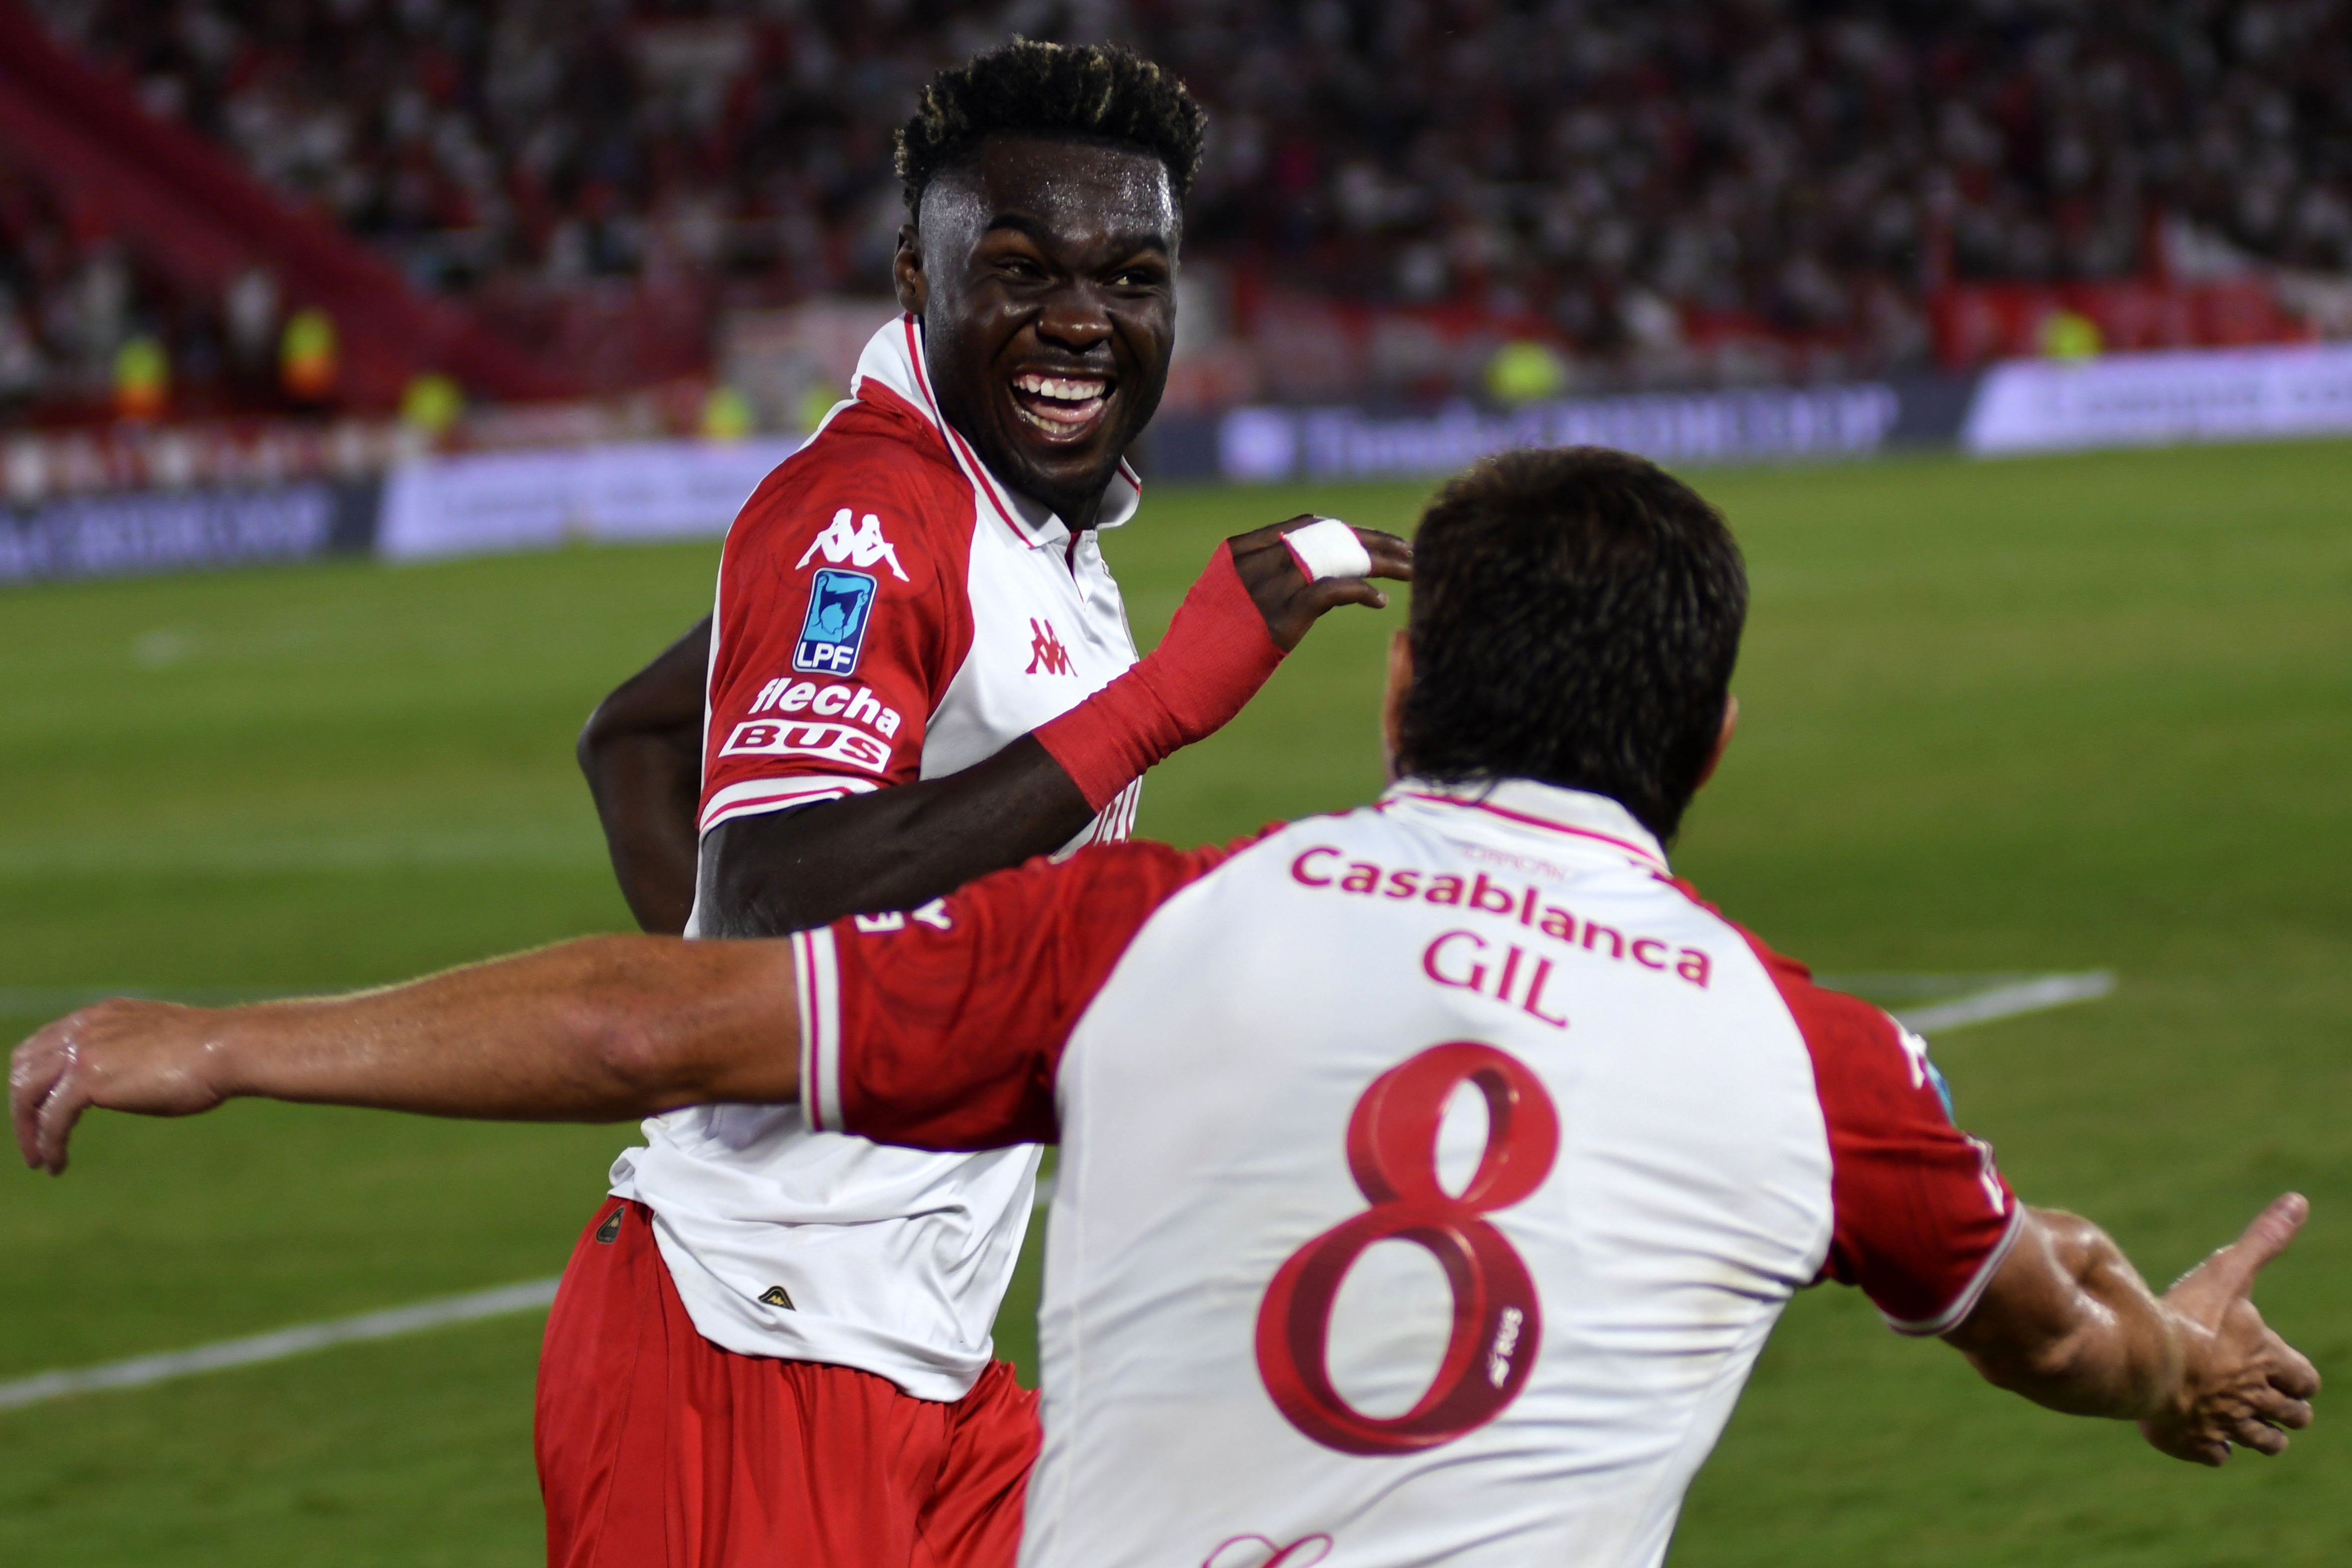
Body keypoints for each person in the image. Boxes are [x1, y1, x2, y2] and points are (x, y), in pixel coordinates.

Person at [13, 448, 2319, 1568]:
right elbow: (2043, 1323)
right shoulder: (1819, 1068)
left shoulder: (1152, 937)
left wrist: (224, 1037)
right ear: (1706, 748)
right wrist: (2168, 1365)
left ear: (1399, 677)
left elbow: (661, 1026)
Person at [556, 38, 1410, 1568]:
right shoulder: (875, 506)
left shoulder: (1030, 532)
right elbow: (768, 890)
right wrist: (1162, 704)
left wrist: (789, 1043)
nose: (1082, 318)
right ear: (915, 280)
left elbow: (633, 740)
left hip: (926, 1365)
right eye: (1020, 270)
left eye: (1132, 278)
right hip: (755, 1348)